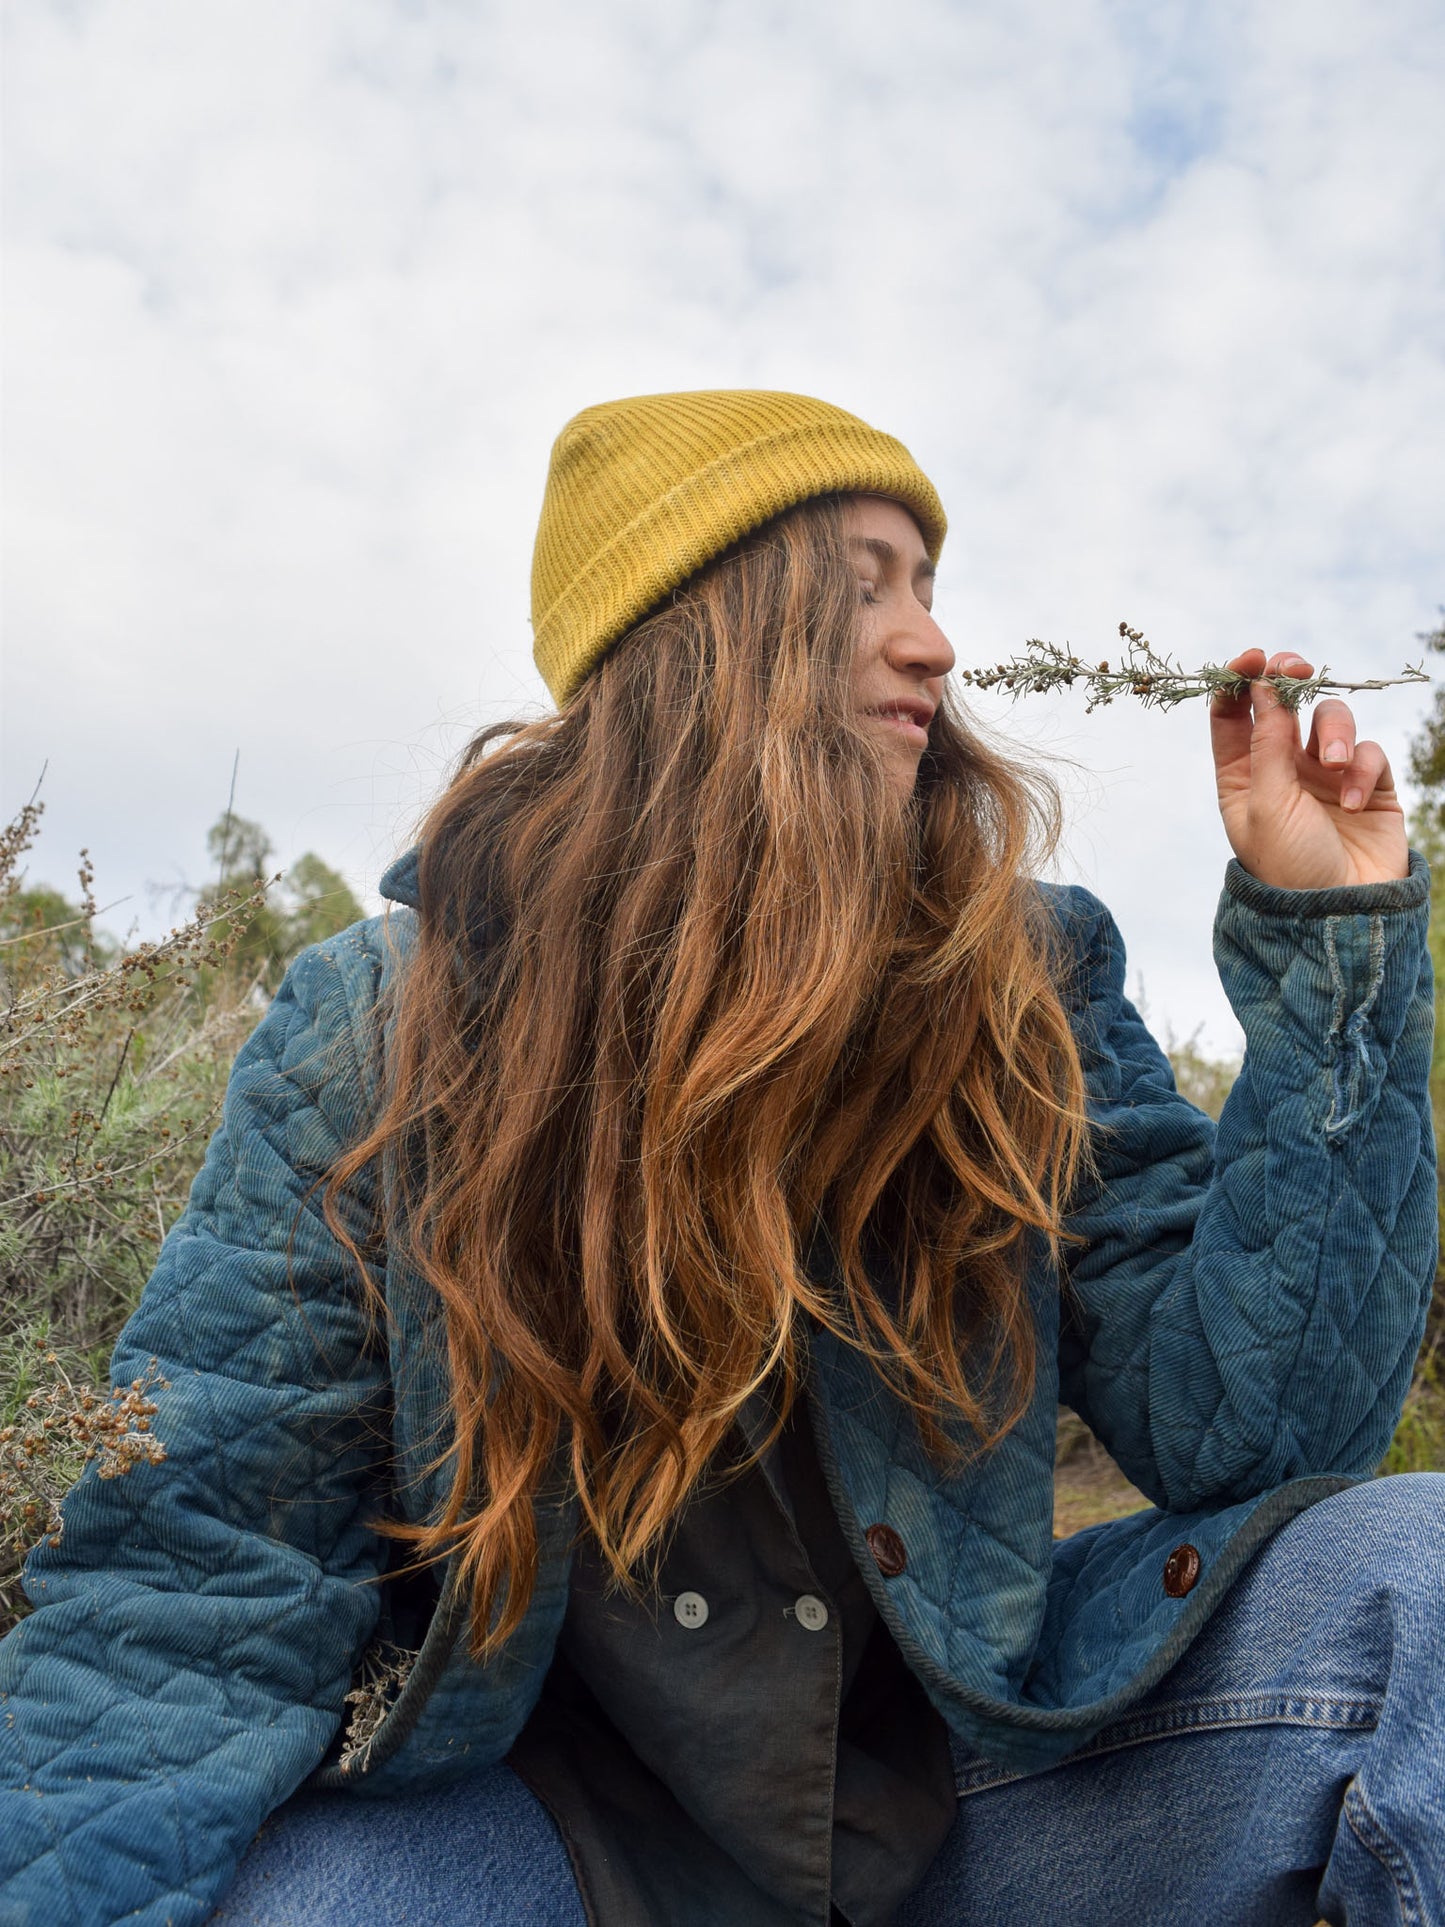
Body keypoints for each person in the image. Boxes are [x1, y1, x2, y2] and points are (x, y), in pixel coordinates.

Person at [0, 390, 1440, 1927]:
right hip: (549, 1840)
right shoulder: (384, 1027)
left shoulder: (1018, 979)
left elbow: (1249, 1435)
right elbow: (201, 1562)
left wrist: (1334, 964)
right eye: (859, 586)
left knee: (1417, 1577)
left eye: (929, 590)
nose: (934, 647)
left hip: (975, 1789)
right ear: (691, 635)